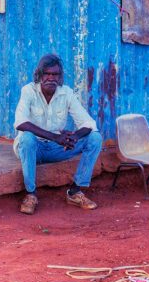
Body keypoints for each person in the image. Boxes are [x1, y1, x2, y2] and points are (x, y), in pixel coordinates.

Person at [13, 53, 103, 214]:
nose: (51, 78)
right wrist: (56, 137)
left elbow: (89, 123)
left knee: (94, 138)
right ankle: (31, 194)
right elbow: (20, 123)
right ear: (39, 75)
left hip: (57, 148)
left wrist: (73, 137)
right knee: (26, 138)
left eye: (55, 74)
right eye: (47, 74)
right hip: (34, 148)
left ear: (60, 77)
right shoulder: (28, 91)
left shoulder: (66, 93)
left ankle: (75, 191)